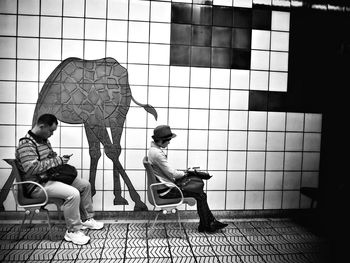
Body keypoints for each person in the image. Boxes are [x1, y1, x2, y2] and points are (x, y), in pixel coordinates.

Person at [15, 114, 104, 245]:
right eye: (51, 131)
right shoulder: (26, 144)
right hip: (37, 185)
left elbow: (51, 159)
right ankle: (72, 231)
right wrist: (57, 160)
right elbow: (32, 169)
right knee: (72, 194)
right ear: (41, 126)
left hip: (50, 178)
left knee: (85, 185)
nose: (51, 134)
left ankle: (86, 219)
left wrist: (59, 159)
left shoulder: (44, 141)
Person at [148, 125, 228, 233]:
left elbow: (169, 172)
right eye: (168, 140)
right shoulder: (157, 154)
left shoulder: (153, 150)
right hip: (166, 191)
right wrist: (186, 172)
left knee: (201, 195)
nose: (169, 143)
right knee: (200, 195)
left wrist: (183, 173)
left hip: (164, 187)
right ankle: (207, 224)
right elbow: (173, 173)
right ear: (162, 140)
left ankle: (207, 224)